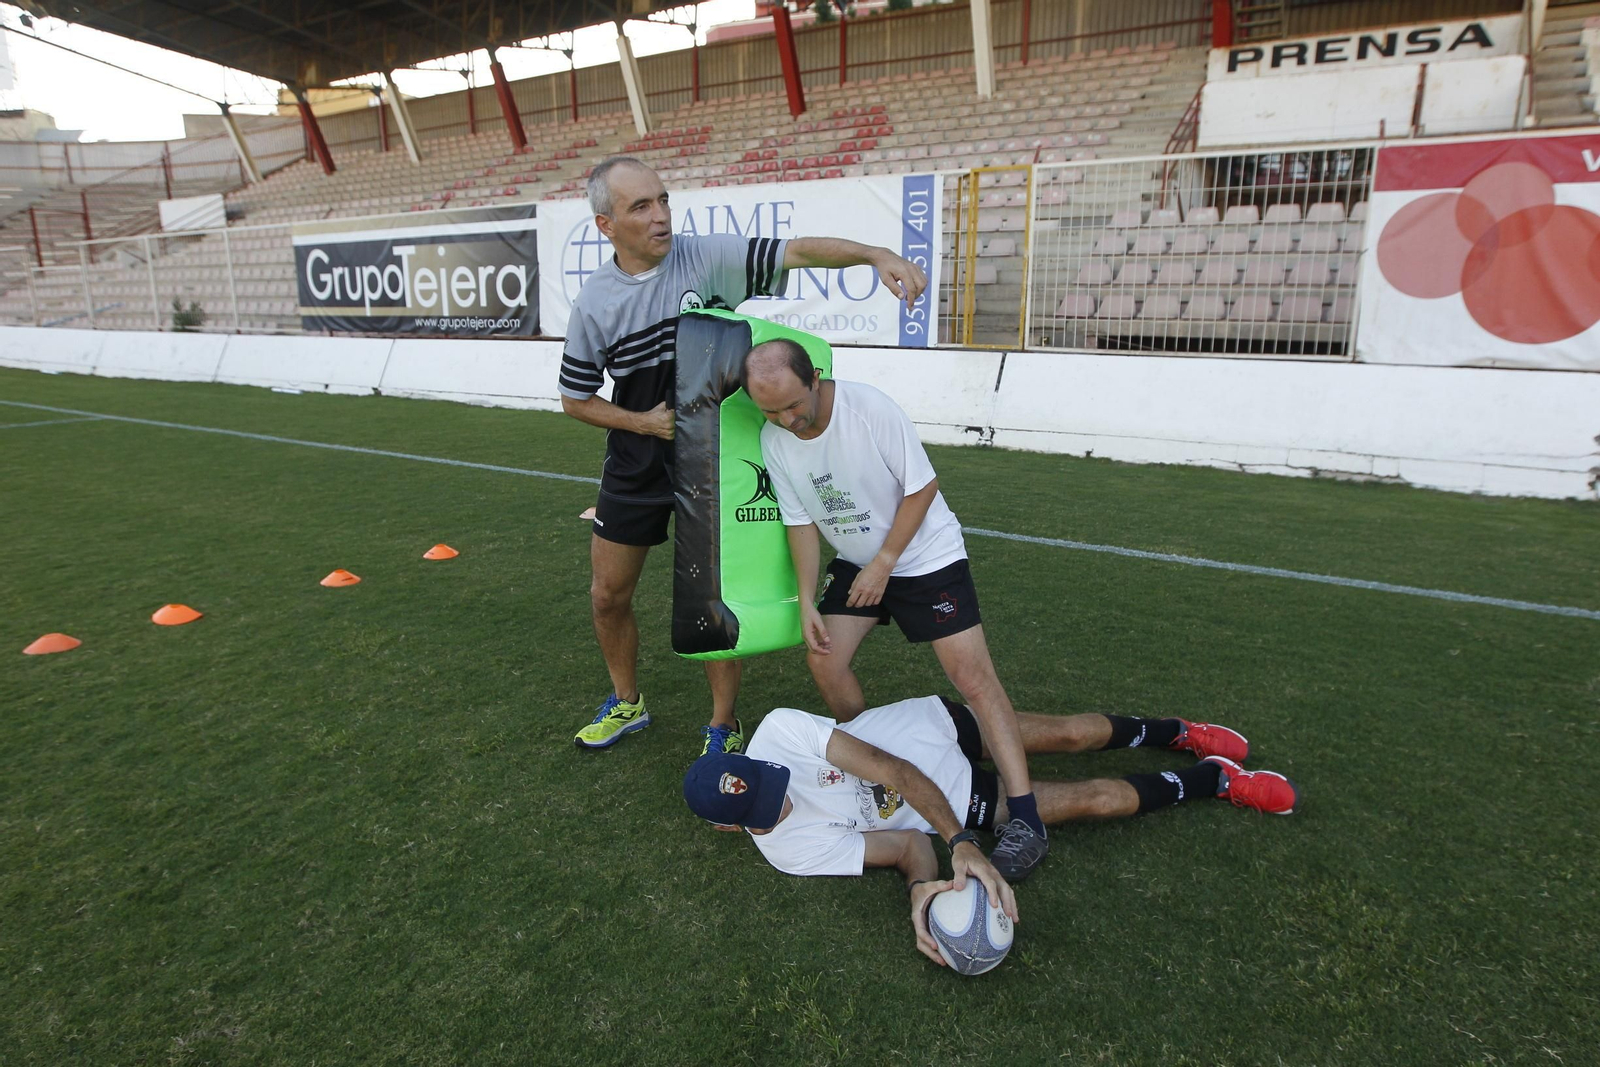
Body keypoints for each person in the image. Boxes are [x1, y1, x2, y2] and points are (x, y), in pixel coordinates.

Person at [558, 157, 928, 756]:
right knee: (608, 594)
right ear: (606, 225)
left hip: (715, 462)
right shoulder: (595, 303)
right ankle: (626, 701)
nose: (661, 218)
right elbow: (575, 399)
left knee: (715, 596)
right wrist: (643, 422)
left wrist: (874, 253)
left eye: (662, 200)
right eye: (640, 208)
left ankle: (723, 725)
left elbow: (799, 252)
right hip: (635, 464)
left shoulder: (703, 257)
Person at [740, 339, 1051, 881]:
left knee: (973, 680)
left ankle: (1026, 817)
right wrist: (807, 599)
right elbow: (800, 523)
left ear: (813, 377)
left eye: (793, 404)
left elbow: (922, 487)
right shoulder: (775, 439)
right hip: (861, 563)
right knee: (825, 659)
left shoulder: (867, 408)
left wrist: (885, 563)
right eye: (771, 410)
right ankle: (878, 763)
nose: (787, 419)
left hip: (924, 557)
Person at [683, 697, 1295, 966]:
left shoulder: (780, 733)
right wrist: (921, 893)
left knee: (1069, 735)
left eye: (770, 782)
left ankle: (1179, 731)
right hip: (955, 802)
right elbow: (904, 846)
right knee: (1097, 800)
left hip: (930, 732)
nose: (782, 797)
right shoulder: (789, 853)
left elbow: (895, 769)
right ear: (726, 826)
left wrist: (962, 845)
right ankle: (1216, 781)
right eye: (766, 806)